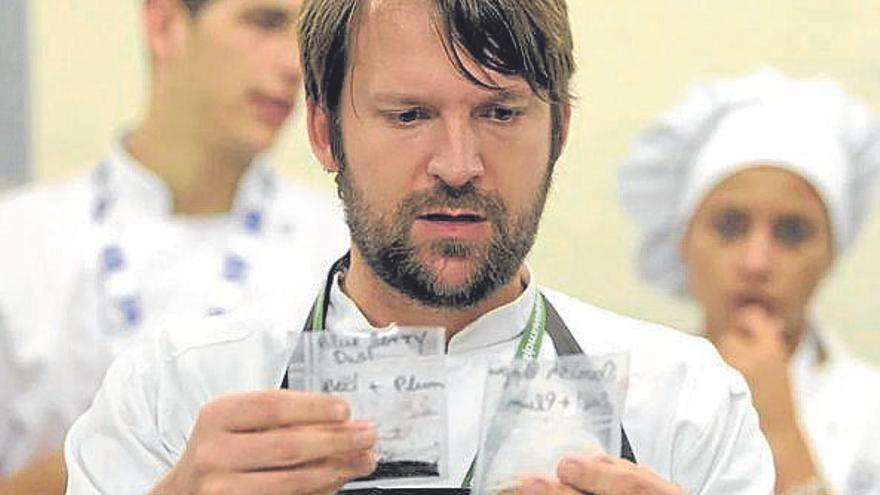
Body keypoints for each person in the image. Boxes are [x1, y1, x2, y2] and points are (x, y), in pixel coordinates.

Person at [64, 1, 775, 493]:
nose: (459, 163)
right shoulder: (173, 393)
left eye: (500, 112)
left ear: (558, 131)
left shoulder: (685, 405)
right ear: (323, 132)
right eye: (409, 115)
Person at [0, 0, 348, 493]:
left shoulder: (341, 248)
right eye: (264, 22)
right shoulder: (18, 244)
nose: (295, 65)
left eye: (304, 35)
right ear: (165, 25)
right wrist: (117, 447)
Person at [619, 69, 880, 494]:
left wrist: (778, 430)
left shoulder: (872, 408)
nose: (757, 262)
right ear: (683, 240)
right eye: (729, 225)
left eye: (792, 232)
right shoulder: (627, 396)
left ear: (831, 253)